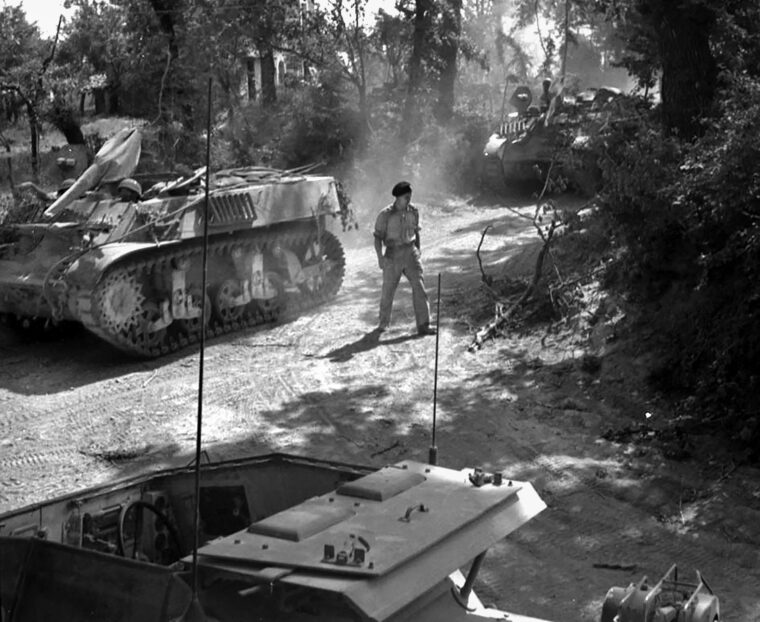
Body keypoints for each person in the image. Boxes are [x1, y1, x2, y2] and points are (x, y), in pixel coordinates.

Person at [373, 181, 436, 336]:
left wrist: (418, 251)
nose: (409, 199)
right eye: (406, 197)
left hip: (410, 252)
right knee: (388, 290)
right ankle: (383, 324)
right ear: (398, 197)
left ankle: (423, 325)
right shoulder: (385, 215)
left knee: (419, 287)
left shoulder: (413, 211)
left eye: (410, 196)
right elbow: (377, 238)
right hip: (392, 254)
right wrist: (380, 258)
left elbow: (416, 231)